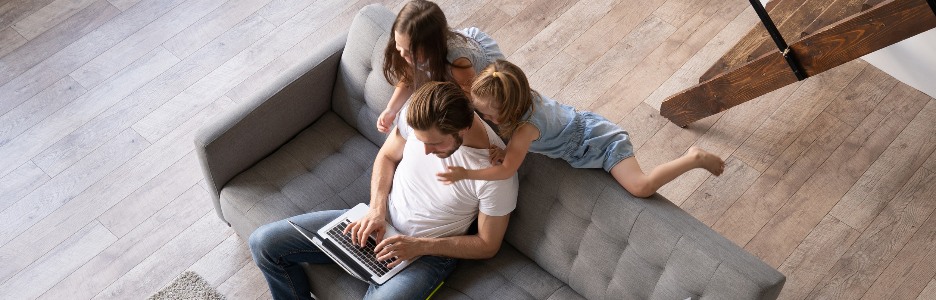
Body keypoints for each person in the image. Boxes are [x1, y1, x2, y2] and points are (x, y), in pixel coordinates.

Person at [249, 81, 519, 300]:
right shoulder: (418, 111)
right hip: (378, 224)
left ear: (464, 128)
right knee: (264, 243)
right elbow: (388, 157)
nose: (425, 151)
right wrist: (376, 210)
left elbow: (487, 245)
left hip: (426, 255)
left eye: (435, 144)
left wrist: (419, 246)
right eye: (422, 141)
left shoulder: (496, 174)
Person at [437, 60, 725, 198]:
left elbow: (506, 170)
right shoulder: (520, 93)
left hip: (600, 143)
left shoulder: (525, 129)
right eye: (481, 113)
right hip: (585, 128)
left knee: (641, 187)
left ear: (511, 108)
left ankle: (694, 158)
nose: (487, 119)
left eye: (490, 114)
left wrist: (466, 173)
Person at [376, 0, 504, 133]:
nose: (402, 54)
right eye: (398, 46)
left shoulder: (458, 62)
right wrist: (391, 109)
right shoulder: (407, 51)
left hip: (476, 75)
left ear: (431, 48)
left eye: (409, 52)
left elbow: (469, 98)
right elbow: (408, 78)